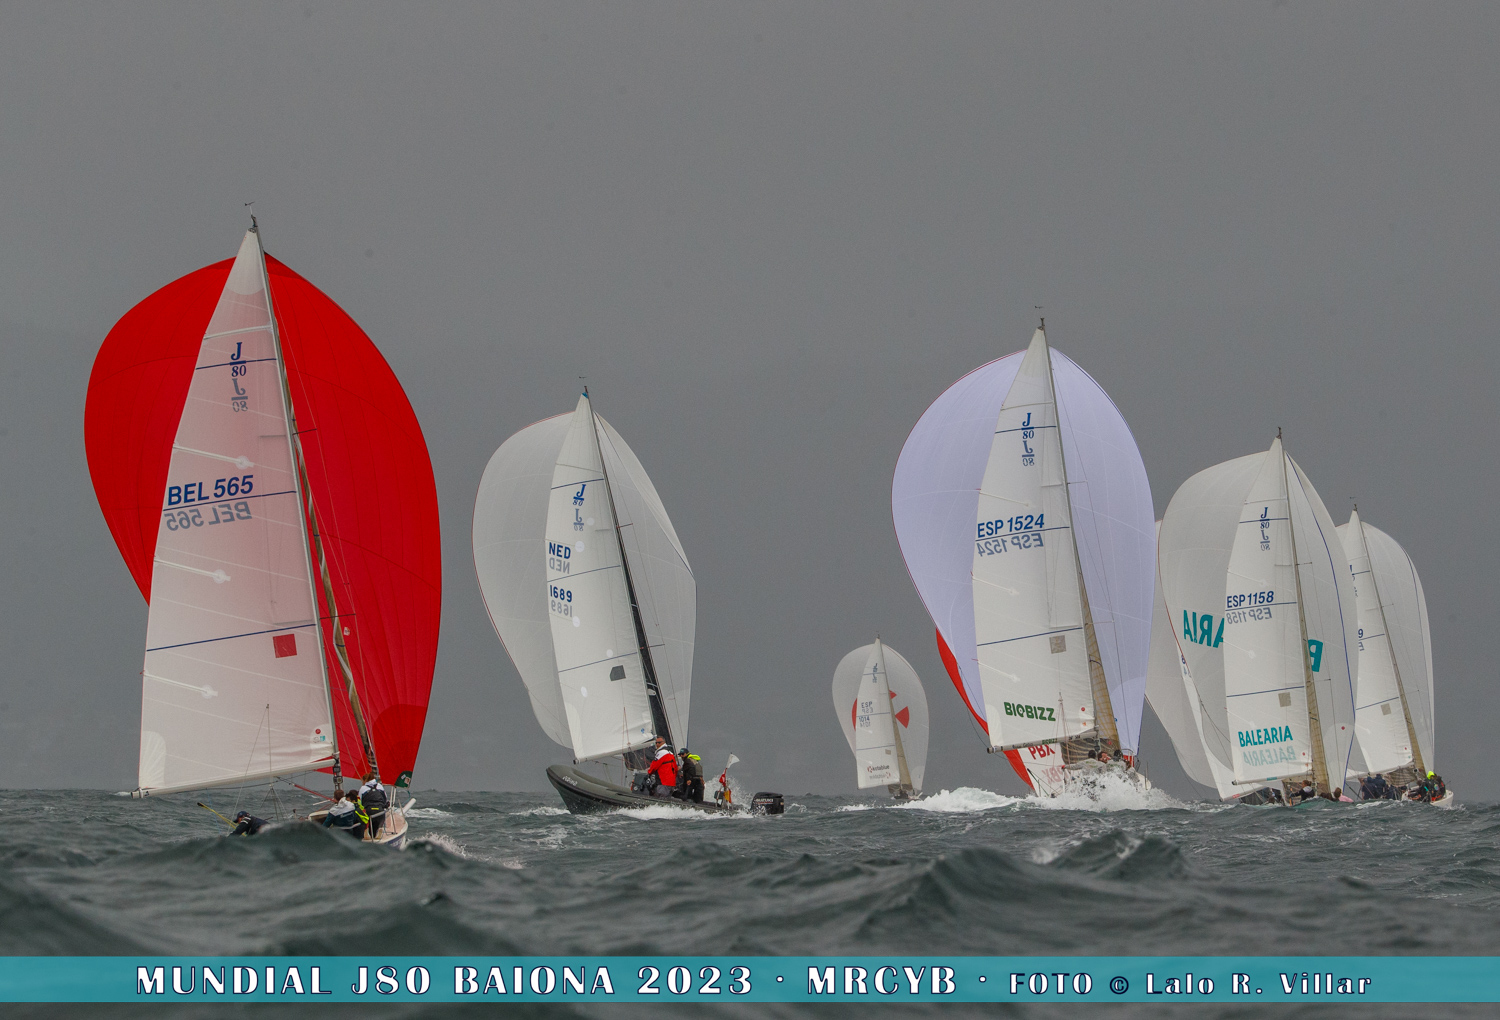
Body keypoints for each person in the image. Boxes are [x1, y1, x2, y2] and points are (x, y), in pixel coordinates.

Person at [359, 773, 389, 838]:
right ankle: (379, 828)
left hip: (368, 811)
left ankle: (366, 830)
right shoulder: (380, 786)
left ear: (365, 780)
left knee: (364, 818)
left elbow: (360, 802)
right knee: (380, 818)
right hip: (380, 811)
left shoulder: (363, 788)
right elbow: (385, 800)